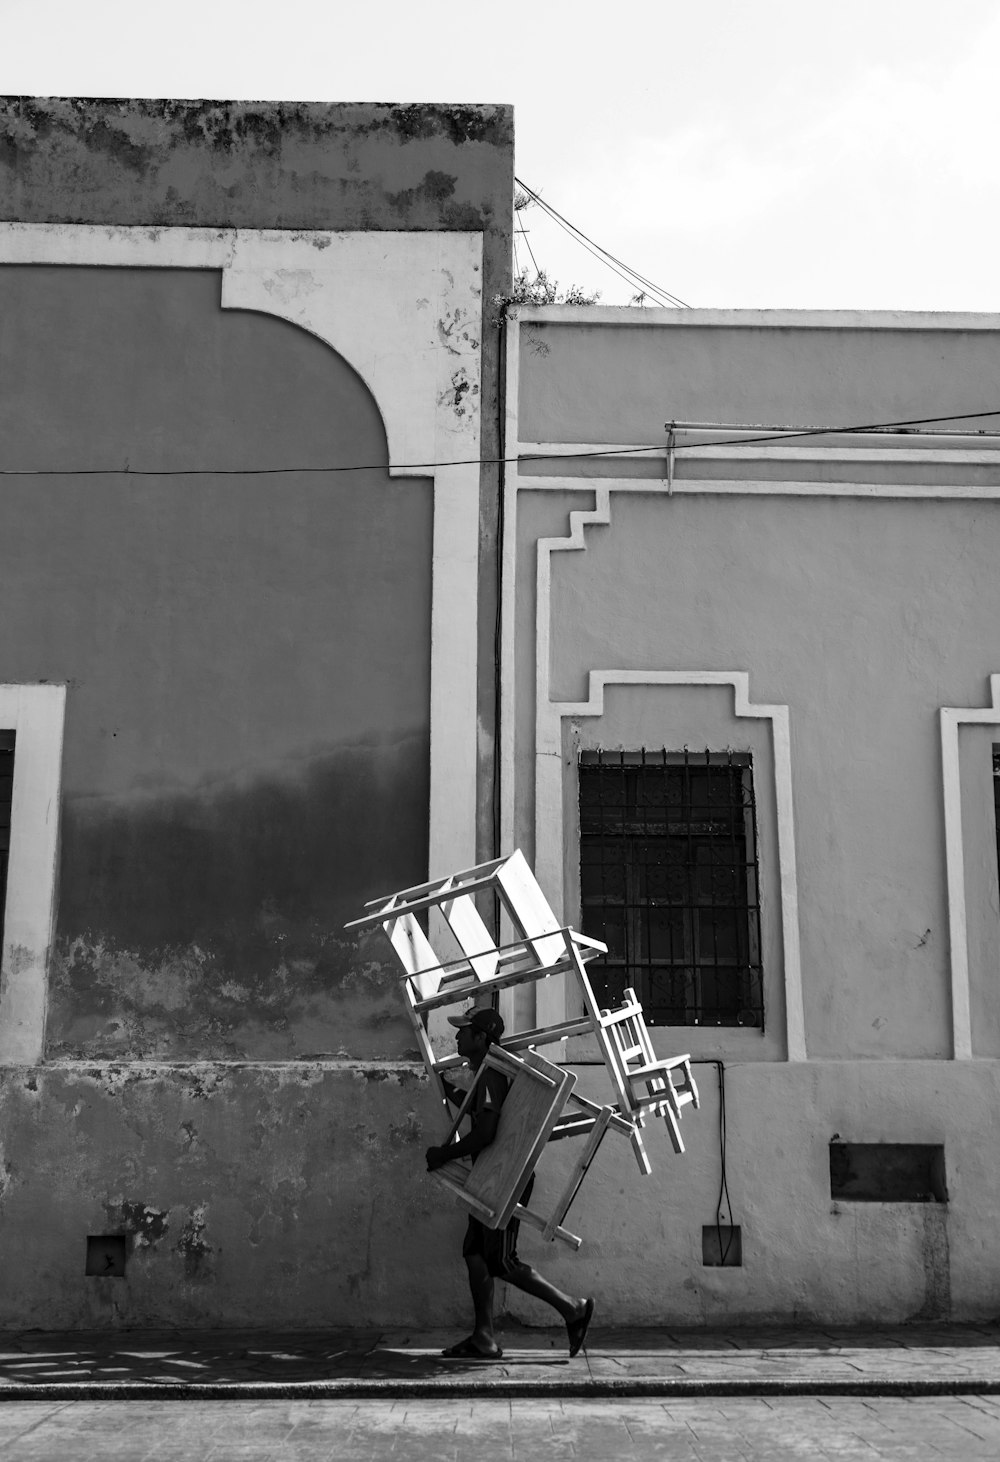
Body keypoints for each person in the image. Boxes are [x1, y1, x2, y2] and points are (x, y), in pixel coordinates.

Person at [425, 1005, 595, 1361]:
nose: (457, 1036)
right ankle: (483, 1338)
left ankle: (573, 1308)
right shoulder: (486, 1074)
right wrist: (446, 1088)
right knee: (474, 1254)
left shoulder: (492, 1076)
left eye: (464, 1030)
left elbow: (486, 1132)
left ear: (481, 1037)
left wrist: (446, 1155)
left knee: (501, 1260)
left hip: (504, 1178)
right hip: (488, 1177)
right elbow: (478, 1110)